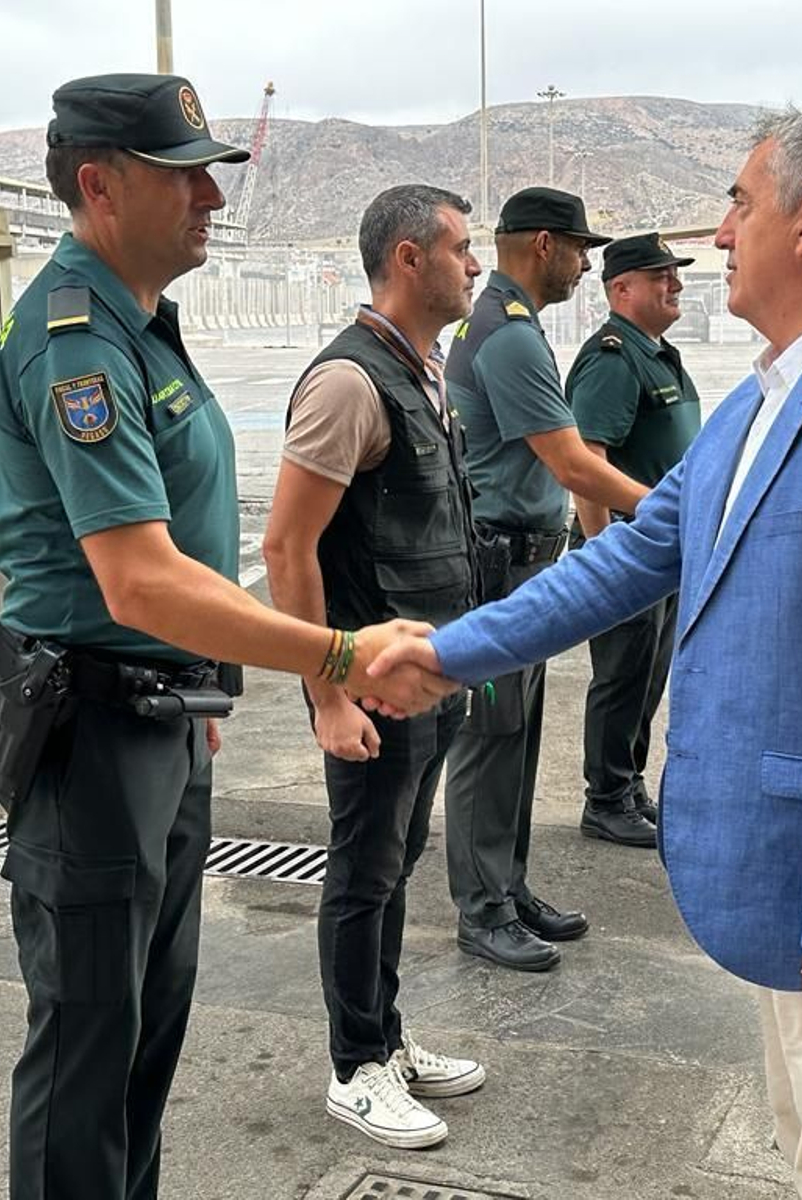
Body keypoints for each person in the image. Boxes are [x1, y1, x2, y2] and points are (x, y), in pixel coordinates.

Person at [373, 109, 802, 1200]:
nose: (718, 235)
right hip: (783, 865)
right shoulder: (764, 394)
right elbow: (627, 560)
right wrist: (453, 651)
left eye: (739, 205)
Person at [0, 74, 455, 1200]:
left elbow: (170, 568)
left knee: (144, 1032)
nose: (209, 195)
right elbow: (137, 579)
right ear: (100, 184)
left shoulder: (138, 325)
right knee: (88, 1048)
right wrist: (334, 655)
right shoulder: (76, 339)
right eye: (182, 173)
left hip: (155, 718)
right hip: (90, 734)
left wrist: (196, 682)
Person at [262, 185, 487, 1149]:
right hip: (369, 688)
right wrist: (325, 694)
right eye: (462, 249)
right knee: (362, 872)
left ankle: (385, 1039)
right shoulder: (349, 382)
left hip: (425, 677)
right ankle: (354, 1067)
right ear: (408, 257)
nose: (474, 266)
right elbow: (286, 548)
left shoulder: (424, 371)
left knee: (395, 867)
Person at [440, 186, 650, 972]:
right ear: (540, 244)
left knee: (516, 737)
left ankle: (509, 883)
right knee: (490, 738)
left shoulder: (500, 322)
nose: (585, 262)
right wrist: (672, 512)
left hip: (518, 559)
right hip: (500, 566)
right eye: (578, 247)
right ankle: (484, 906)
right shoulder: (510, 334)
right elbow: (570, 463)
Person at [564, 233, 702, 848]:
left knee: (648, 673)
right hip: (626, 546)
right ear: (622, 290)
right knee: (622, 675)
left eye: (675, 275)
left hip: (661, 549)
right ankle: (607, 796)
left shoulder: (655, 353)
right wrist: (603, 553)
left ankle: (628, 783)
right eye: (661, 277)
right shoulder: (615, 359)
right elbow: (585, 462)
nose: (674, 285)